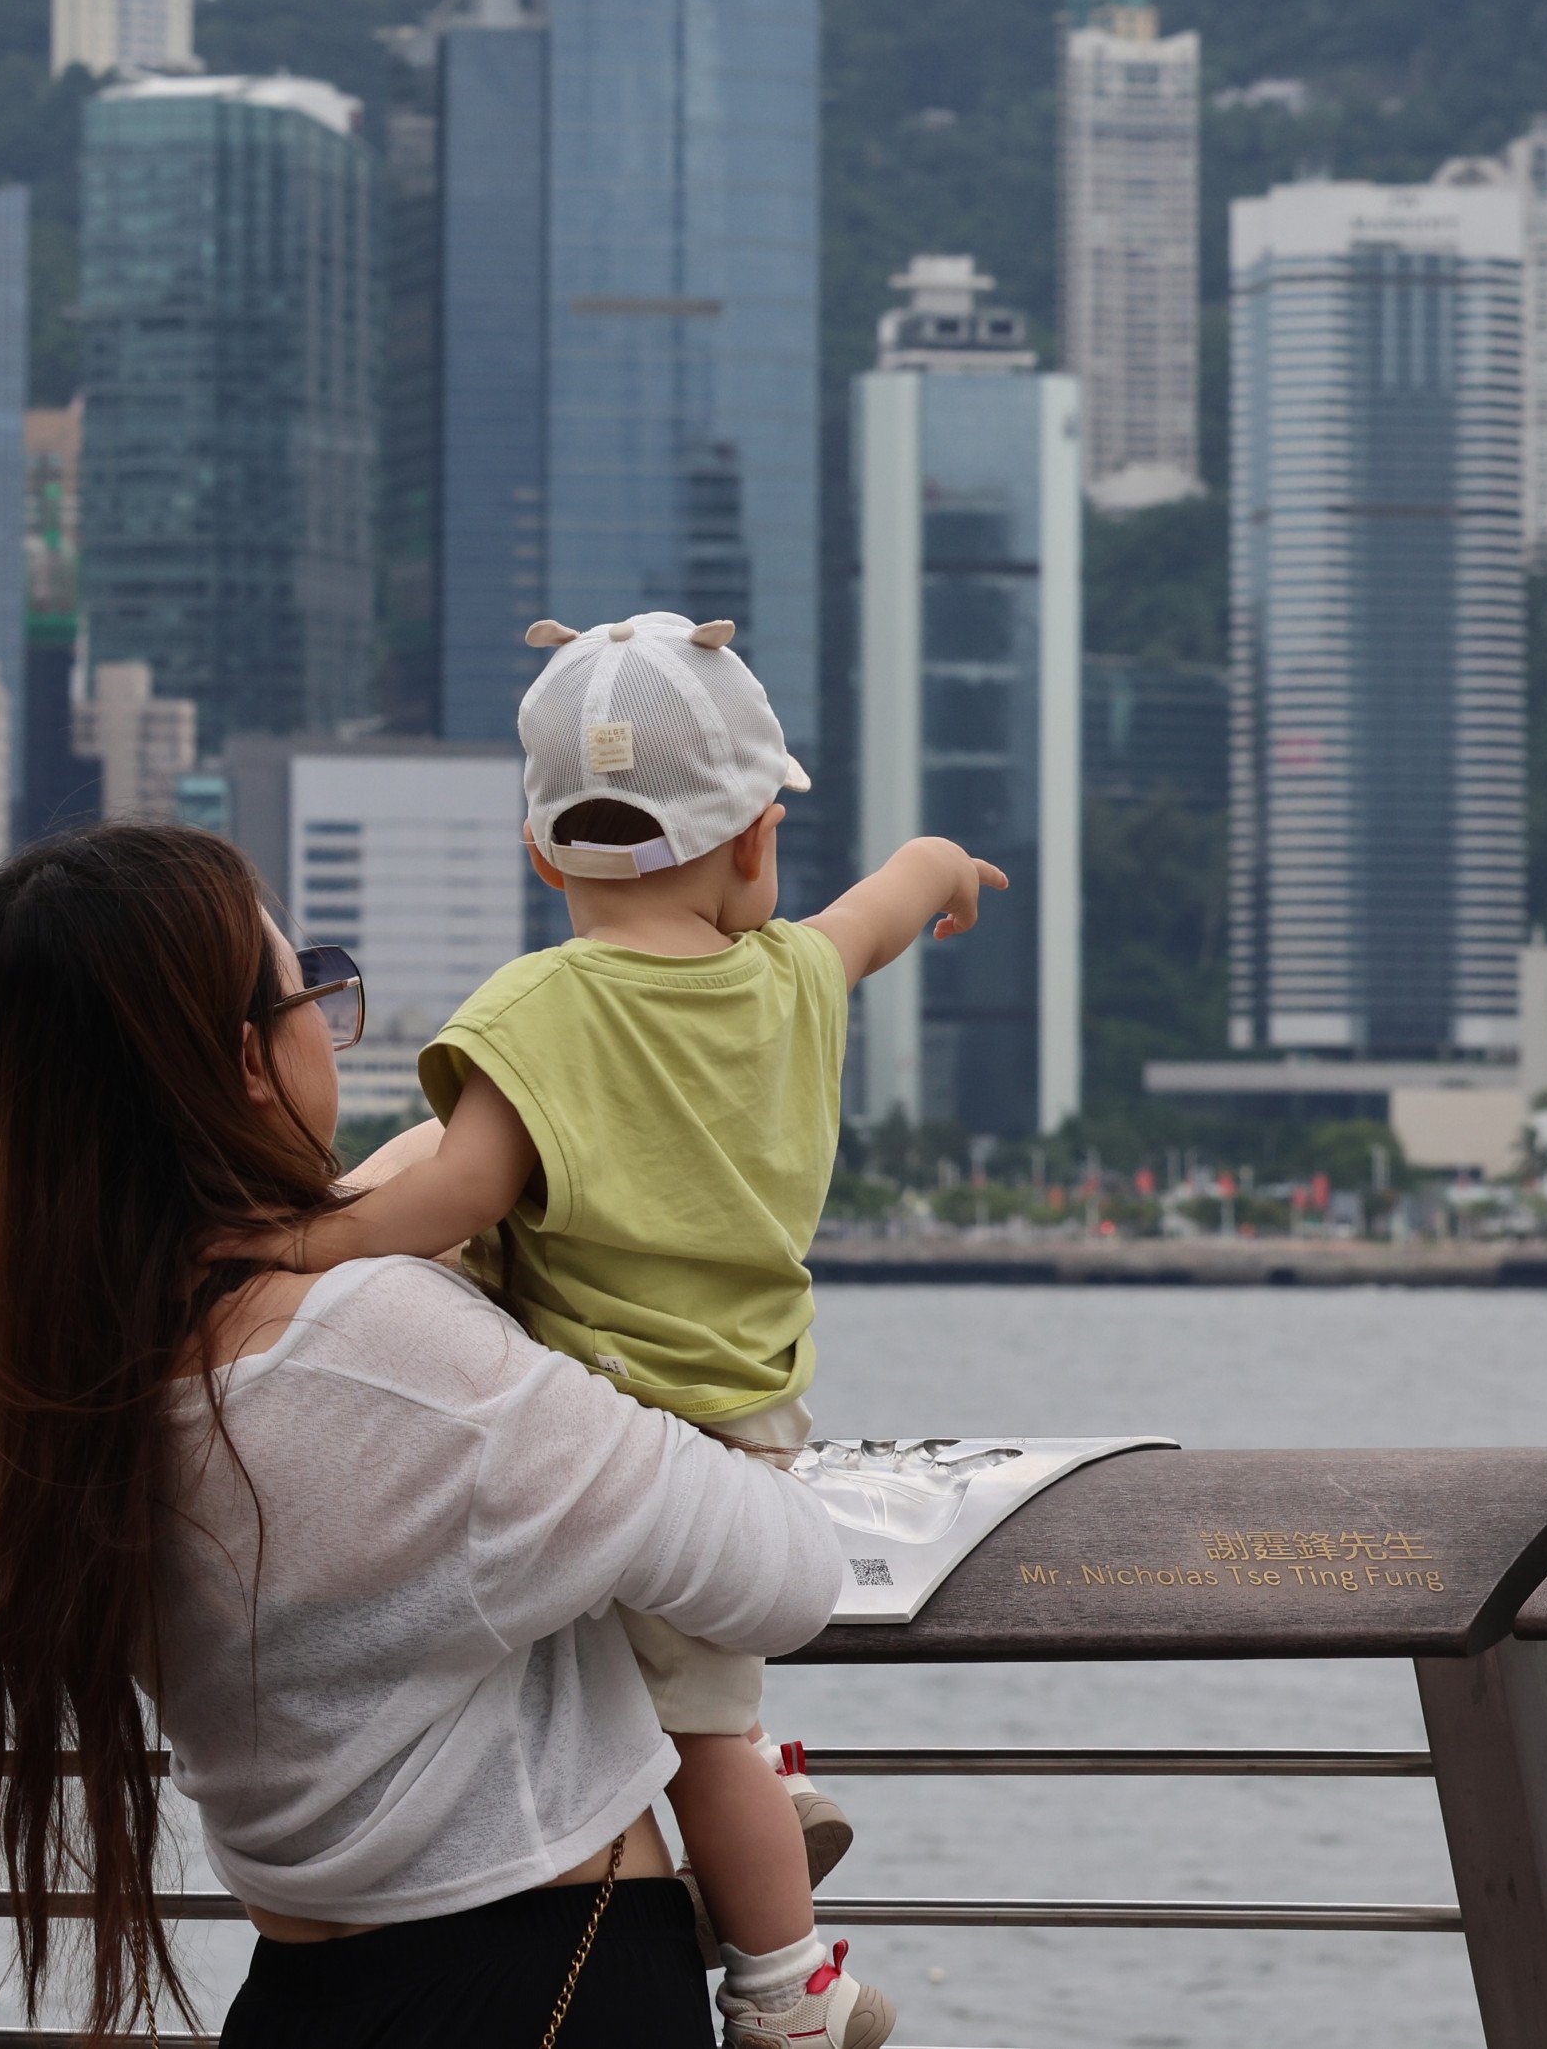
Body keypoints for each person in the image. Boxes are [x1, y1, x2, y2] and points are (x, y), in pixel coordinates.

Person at [0, 821, 845, 2049]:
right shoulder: (395, 1357)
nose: (328, 1027)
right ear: (250, 1056)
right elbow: (784, 1577)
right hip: (553, 1980)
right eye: (314, 992)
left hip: (301, 1996)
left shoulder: (67, 1374)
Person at [283, 611, 1008, 2049]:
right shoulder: (795, 978)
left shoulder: (539, 1006)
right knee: (704, 1700)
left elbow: (465, 1192)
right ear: (757, 839)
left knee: (700, 1741)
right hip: (753, 1428)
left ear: (544, 854)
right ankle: (773, 1789)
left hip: (605, 1439)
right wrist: (941, 871)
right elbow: (881, 904)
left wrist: (297, 1239)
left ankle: (789, 1988)